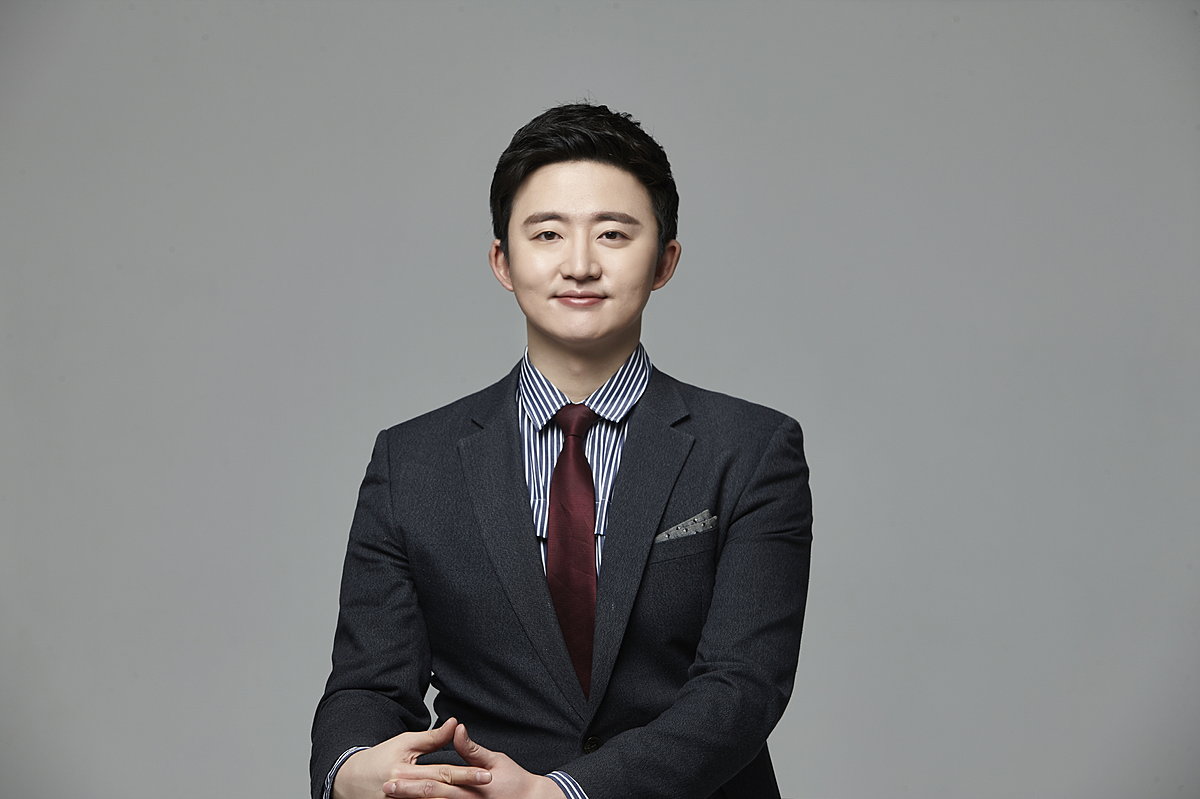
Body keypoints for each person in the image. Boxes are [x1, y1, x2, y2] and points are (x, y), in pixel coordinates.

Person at [311, 103, 812, 799]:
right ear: (502, 260)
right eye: (547, 233)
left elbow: (743, 687)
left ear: (665, 261)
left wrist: (561, 793)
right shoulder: (412, 462)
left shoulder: (751, 450)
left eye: (613, 233)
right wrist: (350, 769)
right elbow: (367, 685)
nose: (579, 264)